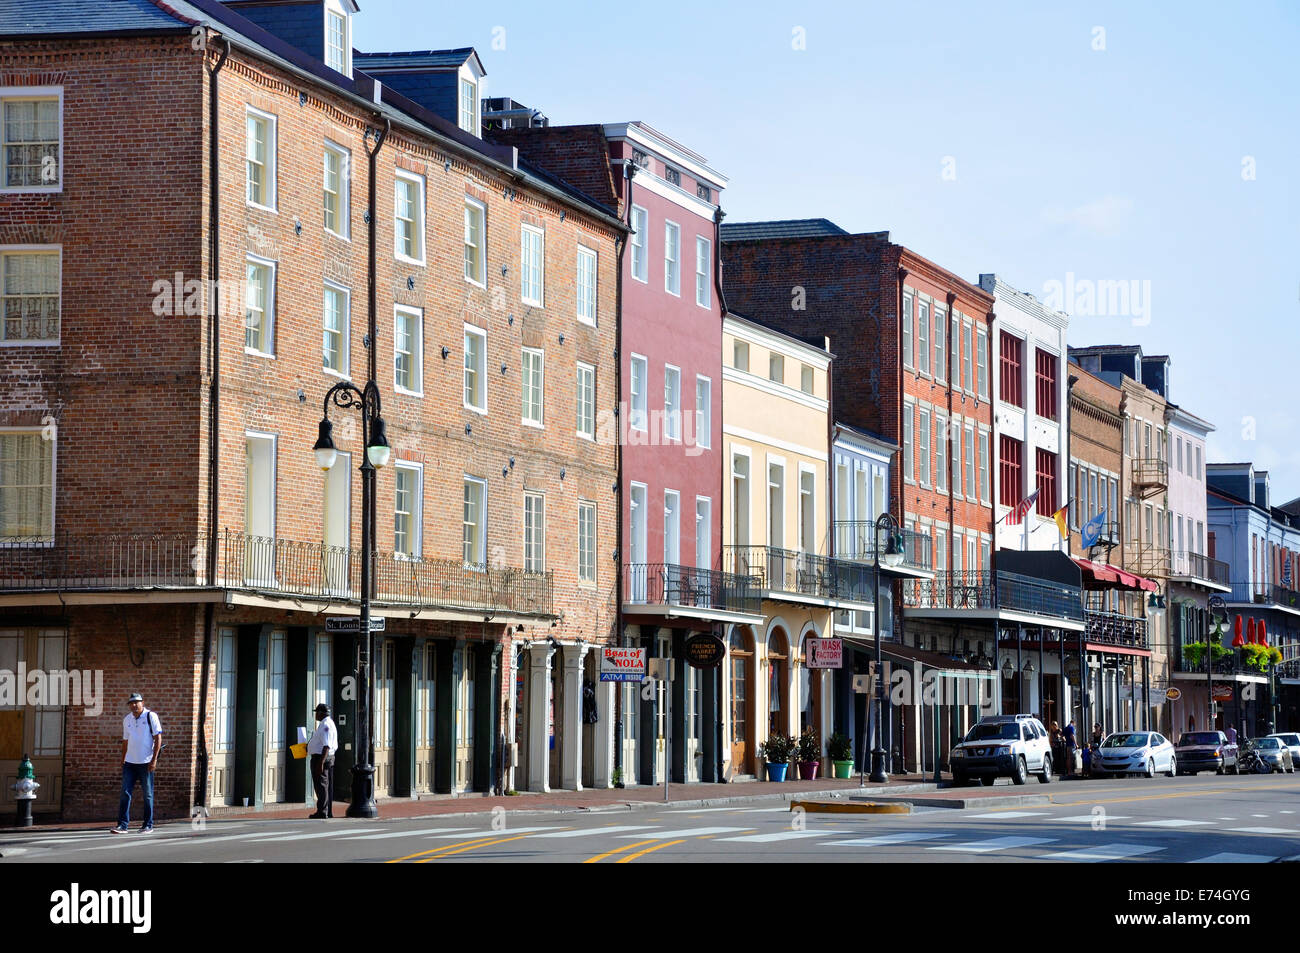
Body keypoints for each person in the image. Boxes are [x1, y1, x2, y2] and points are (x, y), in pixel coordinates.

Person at [114, 692, 162, 833]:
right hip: (130, 762)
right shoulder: (127, 719)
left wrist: (154, 760)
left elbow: (158, 738)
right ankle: (122, 825)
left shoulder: (150, 716)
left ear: (142, 702)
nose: (134, 705)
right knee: (125, 793)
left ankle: (148, 824)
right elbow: (125, 741)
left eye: (137, 702)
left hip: (146, 762)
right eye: (131, 703)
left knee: (147, 794)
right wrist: (123, 758)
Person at [307, 703, 338, 819]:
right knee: (324, 785)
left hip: (322, 758)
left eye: (316, 712)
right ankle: (327, 811)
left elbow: (326, 746)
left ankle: (322, 811)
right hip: (323, 757)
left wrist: (320, 763)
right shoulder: (327, 723)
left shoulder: (326, 725)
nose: (315, 715)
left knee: (321, 785)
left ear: (321, 713)